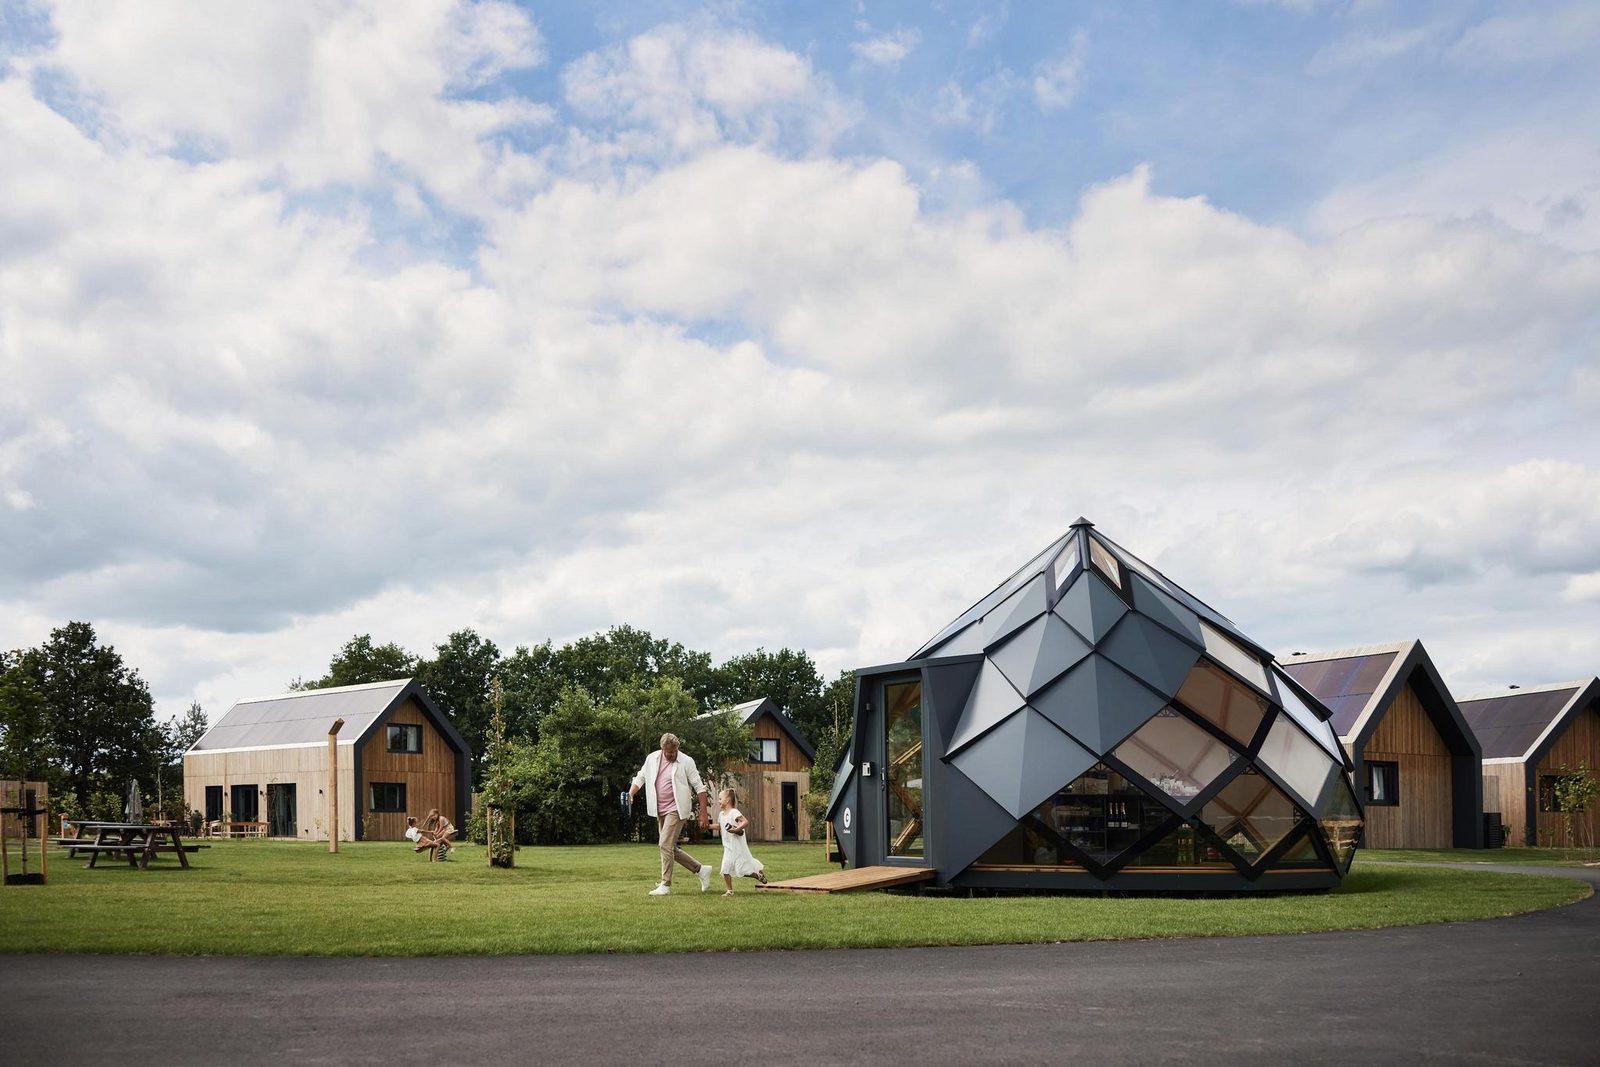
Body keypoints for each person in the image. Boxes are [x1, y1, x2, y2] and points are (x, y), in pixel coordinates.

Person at [627, 732, 713, 895]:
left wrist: (703, 814)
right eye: (669, 752)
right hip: (660, 809)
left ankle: (665, 884)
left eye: (674, 751)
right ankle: (701, 870)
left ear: (677, 748)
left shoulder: (686, 761)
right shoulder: (652, 759)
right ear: (662, 749)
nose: (672, 755)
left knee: (664, 844)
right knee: (670, 848)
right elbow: (640, 777)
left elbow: (699, 788)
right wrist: (631, 793)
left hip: (677, 809)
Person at [716, 788, 768, 895]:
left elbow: (745, 821)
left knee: (741, 870)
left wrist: (736, 829)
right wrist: (706, 826)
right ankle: (730, 891)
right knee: (725, 869)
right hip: (728, 848)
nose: (718, 801)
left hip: (737, 847)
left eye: (720, 798)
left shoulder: (734, 812)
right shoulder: (721, 815)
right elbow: (719, 826)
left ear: (727, 800)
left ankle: (758, 875)